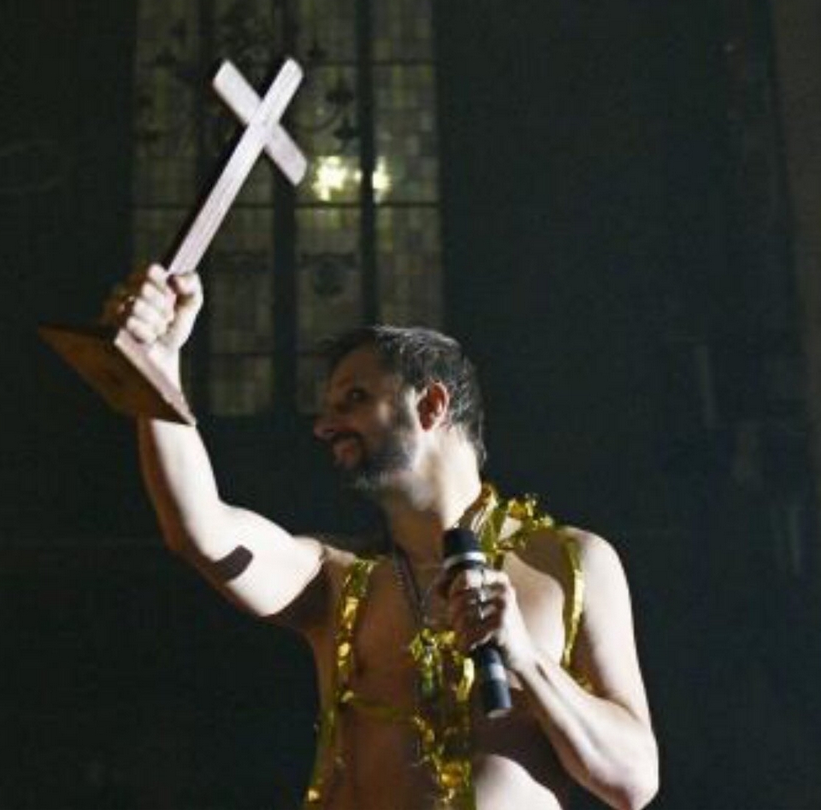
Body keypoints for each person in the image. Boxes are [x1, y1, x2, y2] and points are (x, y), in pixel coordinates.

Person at [102, 264, 659, 810]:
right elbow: (199, 528)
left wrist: (528, 661)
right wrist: (157, 368)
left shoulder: (569, 563)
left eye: (354, 399)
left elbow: (634, 782)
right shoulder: (333, 577)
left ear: (431, 405)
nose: (325, 426)